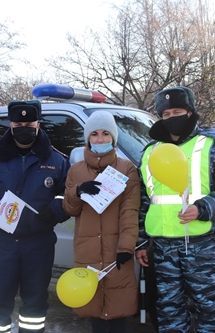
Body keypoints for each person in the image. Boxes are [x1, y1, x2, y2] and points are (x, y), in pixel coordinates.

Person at [135, 87, 215, 333]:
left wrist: (204, 208)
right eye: (166, 114)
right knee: (168, 309)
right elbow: (144, 200)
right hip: (163, 246)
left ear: (190, 112)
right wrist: (140, 243)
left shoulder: (212, 146)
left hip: (201, 243)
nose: (171, 117)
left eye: (177, 111)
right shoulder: (149, 153)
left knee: (210, 308)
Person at [0, 99, 70, 333]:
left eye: (28, 122)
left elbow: (66, 193)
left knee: (35, 303)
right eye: (18, 122)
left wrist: (54, 211)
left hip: (39, 243)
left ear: (38, 124)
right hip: (3, 243)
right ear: (10, 124)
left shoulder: (56, 160)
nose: (23, 127)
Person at [62, 111, 141, 333]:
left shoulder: (126, 169)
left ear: (113, 138)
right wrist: (78, 192)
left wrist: (126, 246)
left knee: (119, 307)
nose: (99, 139)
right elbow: (69, 209)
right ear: (88, 138)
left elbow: (130, 210)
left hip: (117, 250)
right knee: (93, 307)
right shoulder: (76, 170)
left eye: (105, 133)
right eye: (94, 134)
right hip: (88, 249)